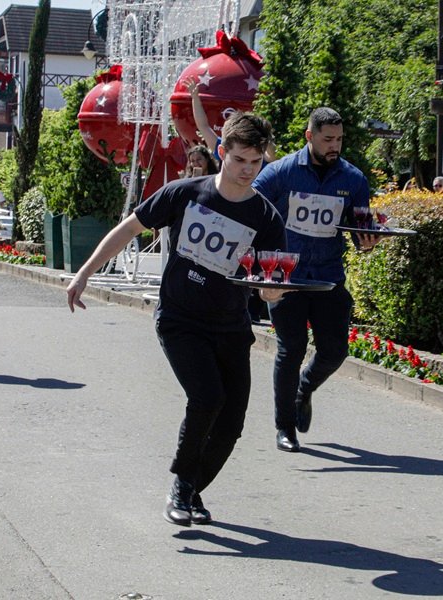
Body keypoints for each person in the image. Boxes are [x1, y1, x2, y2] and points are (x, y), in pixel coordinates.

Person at [66, 113, 286, 526]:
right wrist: (85, 272)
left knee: (232, 422)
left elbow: (269, 281)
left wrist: (272, 293)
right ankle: (182, 486)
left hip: (230, 326)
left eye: (255, 163)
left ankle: (192, 489)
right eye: (239, 160)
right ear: (222, 152)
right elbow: (128, 229)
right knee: (207, 397)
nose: (247, 171)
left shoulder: (266, 217)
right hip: (181, 319)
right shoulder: (185, 193)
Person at [252, 107, 383, 453]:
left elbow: (359, 233)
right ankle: (284, 428)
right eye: (327, 139)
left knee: (335, 351)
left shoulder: (354, 180)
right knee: (290, 349)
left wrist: (368, 243)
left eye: (339, 139)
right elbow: (249, 206)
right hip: (287, 276)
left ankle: (304, 389)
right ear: (309, 136)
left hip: (327, 276)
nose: (334, 146)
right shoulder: (280, 173)